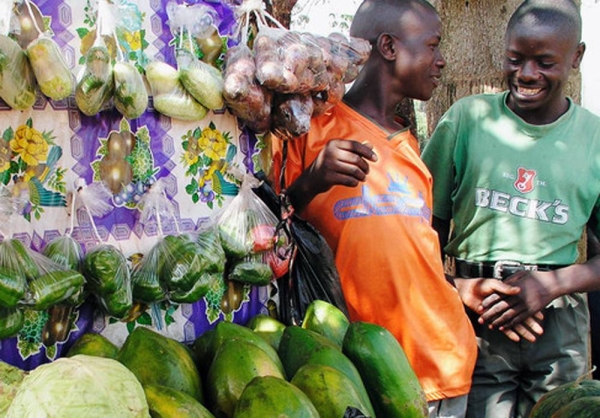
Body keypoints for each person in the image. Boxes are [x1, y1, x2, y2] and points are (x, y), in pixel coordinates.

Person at [270, 0, 478, 416]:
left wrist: (463, 288)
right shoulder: (309, 130)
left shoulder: (410, 149)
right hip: (367, 373)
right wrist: (311, 180)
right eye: (433, 46)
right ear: (388, 46)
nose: (441, 62)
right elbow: (269, 227)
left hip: (443, 360)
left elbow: (413, 259)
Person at [421, 0, 600, 416]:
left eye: (544, 62)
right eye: (516, 59)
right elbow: (423, 228)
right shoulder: (467, 121)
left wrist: (549, 286)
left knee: (563, 410)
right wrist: (455, 288)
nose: (526, 74)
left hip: (558, 323)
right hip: (476, 316)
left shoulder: (594, 140)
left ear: (576, 57)